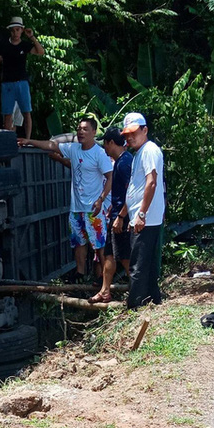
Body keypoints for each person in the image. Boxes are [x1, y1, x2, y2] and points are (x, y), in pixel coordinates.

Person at [19, 116, 112, 281]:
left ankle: (104, 280)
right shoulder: (74, 149)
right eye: (79, 128)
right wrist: (30, 141)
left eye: (84, 129)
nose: (80, 132)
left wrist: (101, 199)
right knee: (78, 242)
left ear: (93, 132)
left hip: (94, 209)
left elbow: (110, 177)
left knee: (99, 246)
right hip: (76, 207)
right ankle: (80, 274)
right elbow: (52, 145)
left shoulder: (99, 154)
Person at [113, 112, 165, 309]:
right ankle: (153, 300)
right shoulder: (138, 154)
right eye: (127, 135)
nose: (130, 138)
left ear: (145, 130)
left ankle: (135, 306)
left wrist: (141, 214)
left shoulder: (150, 150)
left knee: (137, 266)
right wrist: (123, 216)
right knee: (146, 264)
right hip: (140, 217)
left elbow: (151, 183)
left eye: (134, 133)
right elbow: (134, 190)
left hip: (146, 218)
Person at [89, 127, 133, 303]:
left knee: (124, 257)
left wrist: (121, 216)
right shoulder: (121, 161)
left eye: (105, 144)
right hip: (115, 214)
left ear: (111, 143)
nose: (104, 149)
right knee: (110, 254)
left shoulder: (124, 163)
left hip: (121, 218)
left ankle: (139, 290)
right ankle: (105, 291)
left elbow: (132, 193)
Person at [0, 16, 44, 138]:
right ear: (10, 31)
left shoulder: (24, 45)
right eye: (13, 30)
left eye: (18, 30)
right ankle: (8, 139)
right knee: (7, 114)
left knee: (26, 112)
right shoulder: (3, 45)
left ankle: (28, 139)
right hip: (7, 83)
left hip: (22, 82)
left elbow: (40, 52)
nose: (15, 33)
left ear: (22, 30)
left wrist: (32, 37)